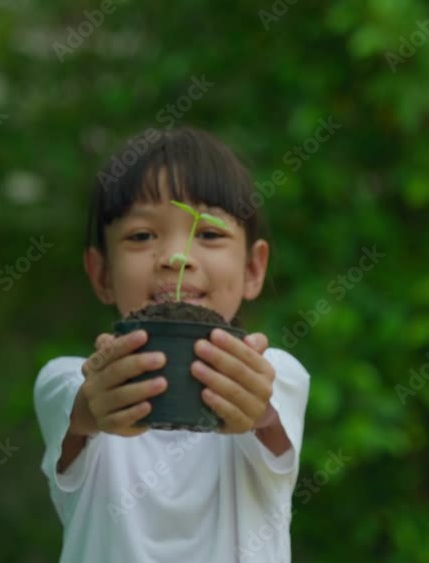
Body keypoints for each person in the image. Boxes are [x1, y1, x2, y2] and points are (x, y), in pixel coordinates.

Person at [33, 126, 311, 563]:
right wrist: (92, 405)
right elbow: (79, 408)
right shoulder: (69, 380)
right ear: (101, 273)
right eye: (141, 236)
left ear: (254, 269)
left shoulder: (274, 373)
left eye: (209, 234)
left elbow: (268, 415)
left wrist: (258, 410)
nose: (175, 258)